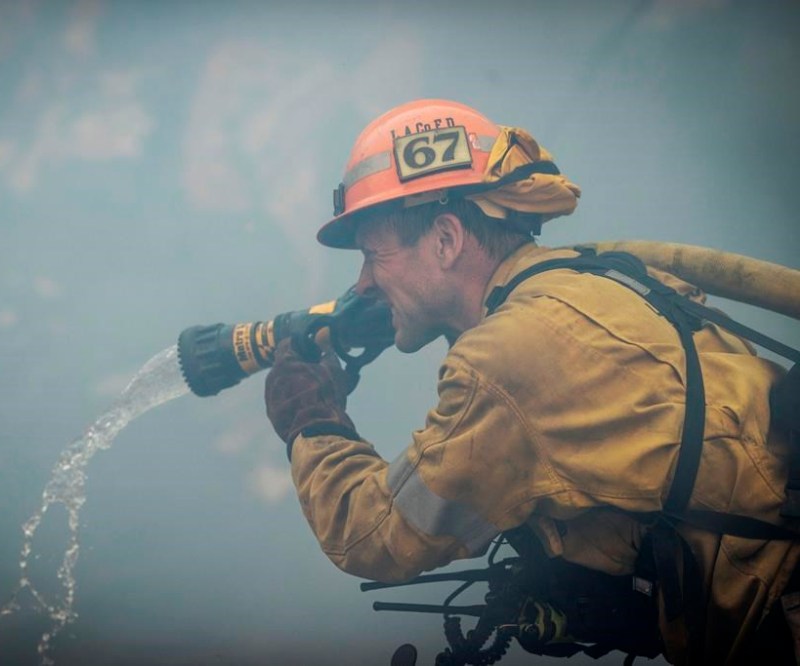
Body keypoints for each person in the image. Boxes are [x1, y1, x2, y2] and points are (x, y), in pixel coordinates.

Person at [263, 99, 800, 665]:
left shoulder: (502, 360)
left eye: (375, 256)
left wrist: (310, 420)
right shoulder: (604, 276)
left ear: (445, 240)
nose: (364, 283)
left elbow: (372, 534)